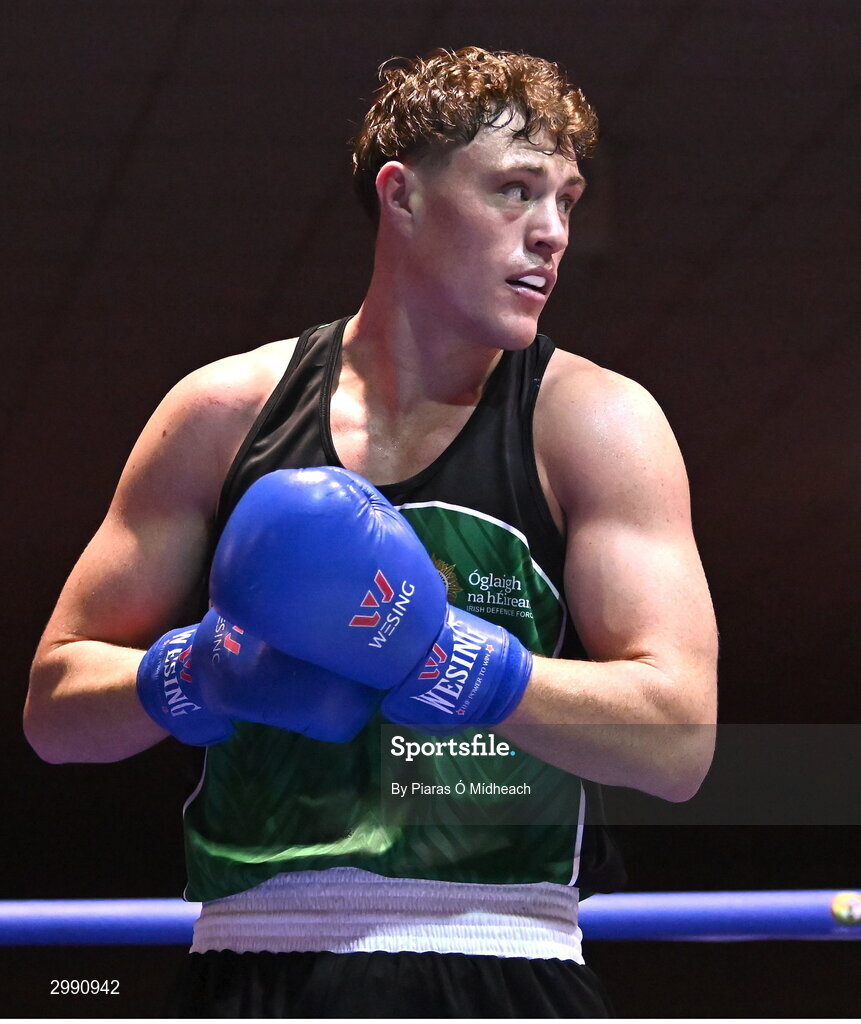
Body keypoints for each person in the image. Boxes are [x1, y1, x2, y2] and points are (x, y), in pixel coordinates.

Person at [25, 46, 718, 1018]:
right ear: (403, 197)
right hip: (246, 966)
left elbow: (680, 739)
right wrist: (193, 674)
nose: (553, 231)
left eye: (566, 198)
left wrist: (459, 664)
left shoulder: (597, 423)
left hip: (502, 954)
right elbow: (53, 707)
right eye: (516, 191)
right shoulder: (224, 413)